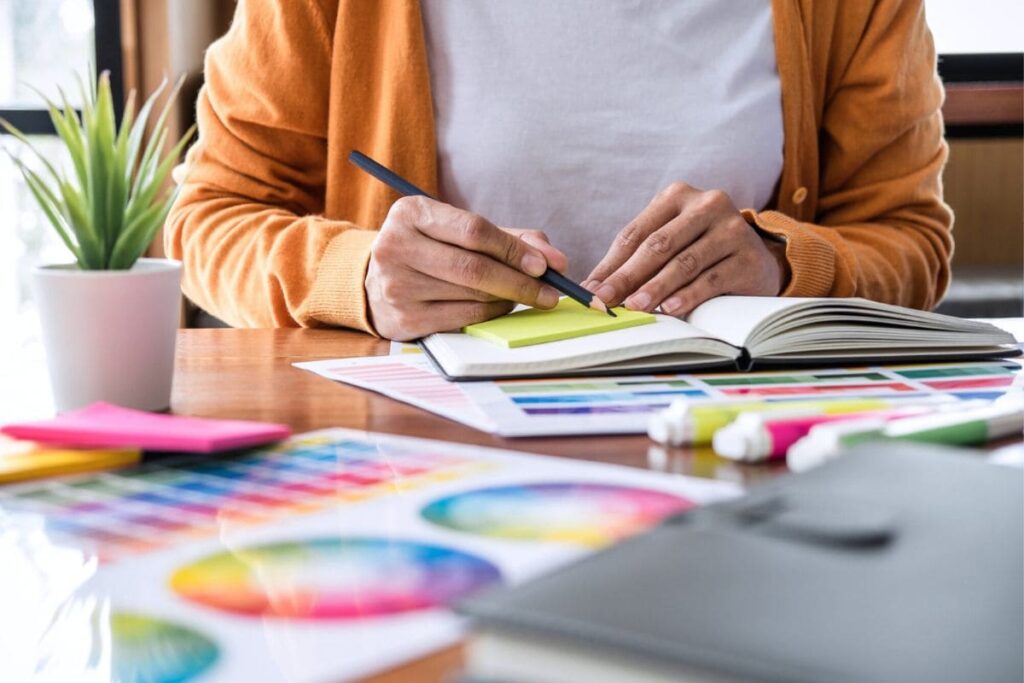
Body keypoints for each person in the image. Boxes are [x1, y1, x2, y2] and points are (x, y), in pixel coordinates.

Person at [166, 0, 952, 340]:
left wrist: (784, 263)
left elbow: (911, 241)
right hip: (409, 456)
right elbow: (208, 217)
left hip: (740, 452)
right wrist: (359, 278)